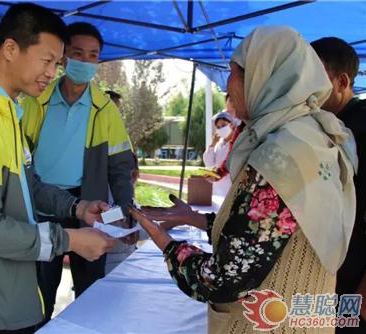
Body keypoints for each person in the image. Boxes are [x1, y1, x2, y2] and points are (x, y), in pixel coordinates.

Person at [130, 26, 357, 333]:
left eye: (234, 72)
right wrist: (196, 219)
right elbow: (272, 230)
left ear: (263, 76)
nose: (228, 83)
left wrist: (166, 244)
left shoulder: (282, 154)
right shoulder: (315, 137)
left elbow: (223, 279)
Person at [0, 4, 116, 333]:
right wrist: (69, 240)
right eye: (46, 60)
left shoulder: (6, 112)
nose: (52, 73)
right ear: (11, 49)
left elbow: (29, 187)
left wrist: (79, 207)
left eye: (57, 64)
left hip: (11, 290)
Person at [21, 22, 135, 323]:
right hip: (40, 204)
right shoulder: (36, 101)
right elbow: (19, 158)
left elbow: (121, 166)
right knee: (39, 287)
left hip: (87, 206)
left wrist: (125, 209)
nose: (85, 61)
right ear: (63, 57)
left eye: (93, 55)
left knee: (90, 288)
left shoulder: (103, 108)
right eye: (77, 53)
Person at [312, 37, 366, 331]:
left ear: (341, 81)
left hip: (353, 287)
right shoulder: (320, 127)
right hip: (327, 280)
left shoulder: (358, 129)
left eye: (313, 78)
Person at [203, 111, 235, 197]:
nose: (221, 129)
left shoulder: (237, 143)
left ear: (231, 124)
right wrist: (213, 144)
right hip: (217, 189)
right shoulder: (219, 144)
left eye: (224, 125)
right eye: (218, 127)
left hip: (230, 189)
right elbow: (209, 163)